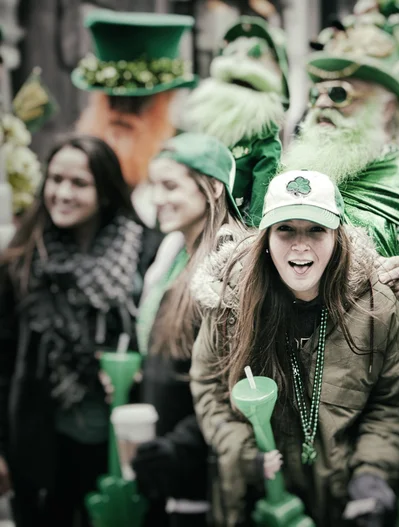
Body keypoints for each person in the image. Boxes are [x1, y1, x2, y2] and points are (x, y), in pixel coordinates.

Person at [190, 170, 399, 526]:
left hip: (341, 506)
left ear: (337, 236)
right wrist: (242, 453)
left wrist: (372, 475)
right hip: (256, 503)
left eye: (315, 229)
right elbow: (209, 388)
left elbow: (391, 402)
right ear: (265, 237)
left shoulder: (377, 308)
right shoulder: (231, 305)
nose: (300, 244)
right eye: (286, 229)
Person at [0, 134, 161, 527]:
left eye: (79, 183)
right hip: (43, 442)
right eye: (55, 180)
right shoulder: (22, 261)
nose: (62, 193)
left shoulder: (147, 254)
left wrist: (140, 371)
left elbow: (167, 342)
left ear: (105, 191)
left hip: (125, 437)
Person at [130, 133, 244, 527]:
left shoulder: (231, 266)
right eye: (154, 185)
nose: (157, 199)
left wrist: (181, 445)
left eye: (171, 186)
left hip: (203, 469)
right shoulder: (174, 251)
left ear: (213, 188)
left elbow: (238, 383)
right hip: (166, 455)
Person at [281, 0, 399, 259]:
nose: (321, 103)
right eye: (316, 93)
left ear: (386, 109)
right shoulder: (294, 170)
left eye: (338, 93)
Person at [72, 10, 198, 225]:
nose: (122, 111)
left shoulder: (189, 155)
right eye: (111, 99)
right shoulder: (78, 154)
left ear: (165, 100)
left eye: (137, 101)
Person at [180, 16, 288, 226]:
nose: (239, 60)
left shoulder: (262, 131)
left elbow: (262, 187)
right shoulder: (201, 122)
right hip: (194, 220)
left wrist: (253, 233)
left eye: (253, 54)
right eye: (232, 52)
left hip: (233, 227)